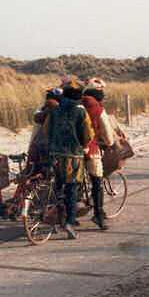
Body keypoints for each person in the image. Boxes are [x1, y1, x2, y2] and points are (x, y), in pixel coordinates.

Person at [41, 80, 94, 239]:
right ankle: (69, 223)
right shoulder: (81, 111)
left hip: (55, 155)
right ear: (79, 96)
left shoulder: (55, 109)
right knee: (71, 190)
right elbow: (89, 135)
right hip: (73, 157)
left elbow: (45, 130)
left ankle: (56, 219)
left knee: (58, 188)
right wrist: (82, 145)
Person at [81, 78, 116, 230]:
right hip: (92, 149)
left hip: (74, 150)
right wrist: (109, 143)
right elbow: (108, 136)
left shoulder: (77, 105)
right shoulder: (99, 110)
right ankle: (99, 215)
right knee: (97, 182)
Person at [22, 87, 61, 178]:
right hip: (48, 147)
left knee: (31, 171)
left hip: (35, 144)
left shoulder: (41, 109)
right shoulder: (58, 112)